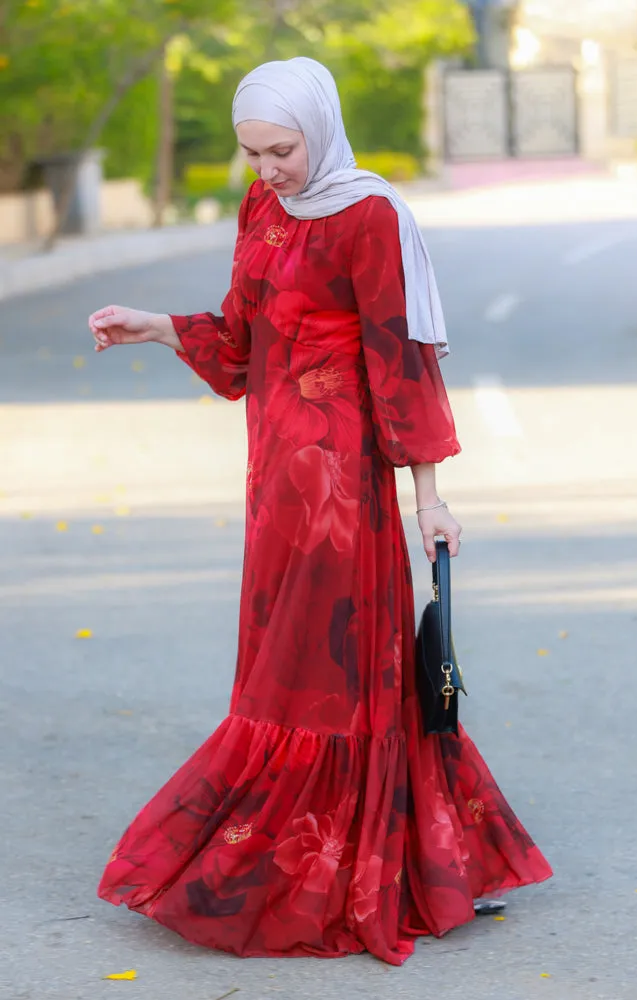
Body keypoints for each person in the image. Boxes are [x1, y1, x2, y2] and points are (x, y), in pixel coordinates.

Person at [90, 57, 551, 966]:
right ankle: (306, 856)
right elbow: (238, 346)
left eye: (283, 150)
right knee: (280, 671)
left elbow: (400, 363)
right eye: (253, 153)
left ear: (321, 128)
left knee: (328, 678)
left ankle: (340, 869)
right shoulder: (262, 208)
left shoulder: (370, 215)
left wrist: (429, 501)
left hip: (342, 491)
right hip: (273, 487)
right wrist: (154, 325)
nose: (269, 170)